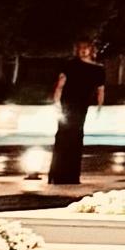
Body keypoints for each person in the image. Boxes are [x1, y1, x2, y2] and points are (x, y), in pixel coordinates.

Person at [45, 37, 105, 190]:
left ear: (91, 50)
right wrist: (56, 102)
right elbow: (60, 84)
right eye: (81, 48)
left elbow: (100, 90)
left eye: (86, 48)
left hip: (78, 107)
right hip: (70, 105)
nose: (83, 51)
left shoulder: (97, 69)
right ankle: (61, 175)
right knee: (66, 137)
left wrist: (99, 106)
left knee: (71, 138)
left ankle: (66, 175)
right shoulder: (73, 65)